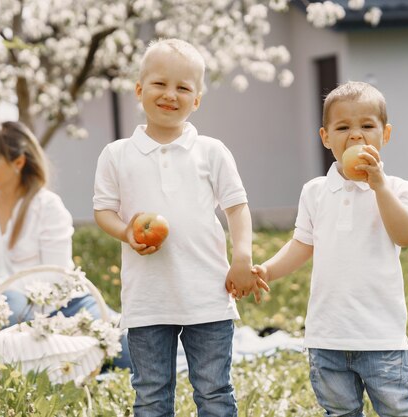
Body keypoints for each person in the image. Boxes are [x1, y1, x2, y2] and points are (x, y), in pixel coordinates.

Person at [93, 38, 267, 417]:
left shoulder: (212, 151)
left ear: (197, 99)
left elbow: (238, 208)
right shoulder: (117, 155)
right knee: (152, 395)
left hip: (207, 295)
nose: (170, 94)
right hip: (147, 300)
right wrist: (126, 233)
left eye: (183, 87)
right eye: (159, 84)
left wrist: (242, 258)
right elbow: (104, 211)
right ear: (139, 90)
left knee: (214, 393)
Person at [252, 81, 408, 416]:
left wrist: (379, 188)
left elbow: (405, 235)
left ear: (385, 135)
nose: (356, 135)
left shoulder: (396, 188)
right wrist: (268, 269)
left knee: (399, 410)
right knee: (339, 412)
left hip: (380, 338)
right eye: (343, 127)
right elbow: (301, 244)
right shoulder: (316, 191)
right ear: (326, 137)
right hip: (326, 336)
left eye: (367, 126)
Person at [0, 120, 131, 369]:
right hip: (16, 313)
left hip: (68, 307)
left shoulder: (47, 206)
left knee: (131, 351)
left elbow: (55, 276)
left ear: (18, 163)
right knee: (8, 310)